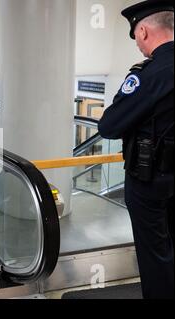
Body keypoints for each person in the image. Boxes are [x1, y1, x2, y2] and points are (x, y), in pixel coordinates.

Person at [98, 0, 174, 299]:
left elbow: (109, 126)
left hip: (151, 179)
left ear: (143, 31)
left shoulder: (150, 73)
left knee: (155, 253)